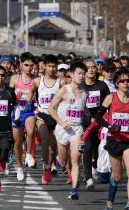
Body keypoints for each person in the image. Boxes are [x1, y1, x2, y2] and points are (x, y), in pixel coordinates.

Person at [96, 69, 129, 210]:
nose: (126, 83)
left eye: (128, 80)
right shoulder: (111, 97)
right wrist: (110, 126)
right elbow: (98, 117)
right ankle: (110, 200)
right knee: (117, 176)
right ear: (117, 83)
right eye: (122, 81)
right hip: (114, 140)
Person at [48, 62, 88, 200]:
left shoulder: (84, 93)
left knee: (75, 158)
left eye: (83, 74)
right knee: (64, 160)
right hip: (62, 129)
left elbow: (84, 112)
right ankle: (59, 162)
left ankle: (74, 189)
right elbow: (50, 109)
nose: (81, 76)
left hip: (77, 129)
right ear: (71, 74)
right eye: (79, 73)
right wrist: (61, 122)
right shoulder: (64, 90)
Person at [27, 54, 61, 185]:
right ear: (44, 67)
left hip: (56, 117)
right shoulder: (38, 81)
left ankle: (48, 165)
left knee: (53, 149)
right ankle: (46, 168)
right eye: (49, 66)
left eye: (54, 66)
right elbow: (31, 92)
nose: (52, 69)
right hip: (41, 115)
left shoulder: (61, 82)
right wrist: (28, 106)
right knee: (45, 141)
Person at [81, 58, 110, 190]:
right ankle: (88, 178)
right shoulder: (80, 86)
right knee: (87, 148)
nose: (92, 70)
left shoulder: (102, 86)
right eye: (88, 67)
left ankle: (94, 166)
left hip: (99, 123)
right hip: (84, 123)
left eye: (94, 67)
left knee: (98, 149)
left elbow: (108, 103)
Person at [9, 52, 37, 180]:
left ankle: (29, 153)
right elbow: (8, 95)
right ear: (21, 65)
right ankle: (19, 167)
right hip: (16, 112)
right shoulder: (15, 78)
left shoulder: (36, 79)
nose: (29, 67)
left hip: (29, 111)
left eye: (31, 65)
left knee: (31, 131)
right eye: (26, 65)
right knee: (18, 142)